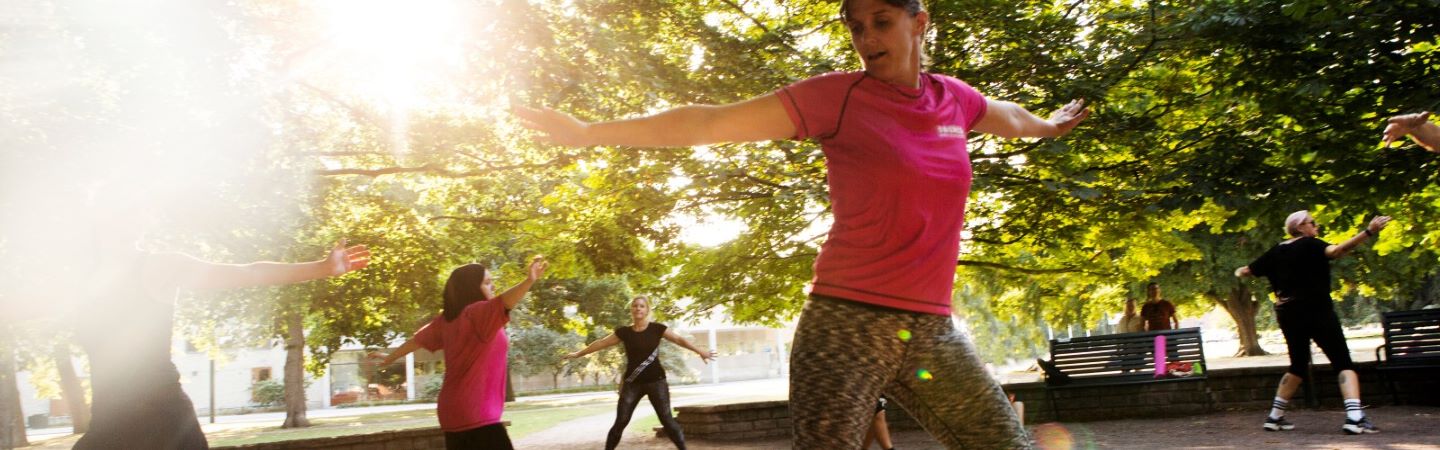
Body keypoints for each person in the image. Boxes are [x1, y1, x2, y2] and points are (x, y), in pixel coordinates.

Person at [514, 0, 1088, 446]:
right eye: (855, 26)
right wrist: (590, 132)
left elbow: (1006, 115)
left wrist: (1048, 125)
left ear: (919, 23)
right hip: (843, 325)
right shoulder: (835, 97)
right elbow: (710, 122)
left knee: (1003, 443)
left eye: (881, 22)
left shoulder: (952, 100)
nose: (866, 39)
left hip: (930, 330)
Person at [75, 235, 371, 450]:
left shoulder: (159, 266)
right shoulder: (74, 282)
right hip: (110, 420)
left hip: (164, 420)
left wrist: (321, 268)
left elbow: (249, 272)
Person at [1235, 210, 1390, 435]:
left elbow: (1246, 271)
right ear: (1300, 227)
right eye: (1313, 223)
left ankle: (1274, 417)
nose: (1316, 227)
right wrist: (1368, 232)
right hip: (1317, 310)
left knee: (1297, 365)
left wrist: (1239, 271)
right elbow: (1337, 251)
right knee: (1343, 363)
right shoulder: (1311, 244)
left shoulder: (1277, 251)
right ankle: (1355, 418)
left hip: (1287, 312)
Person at [375, 256, 548, 450]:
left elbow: (417, 341)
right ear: (471, 288)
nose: (492, 287)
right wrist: (529, 280)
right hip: (476, 414)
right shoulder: (477, 313)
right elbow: (506, 301)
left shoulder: (447, 320)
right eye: (487, 283)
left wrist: (390, 357)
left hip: (452, 412)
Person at [563, 296, 716, 450]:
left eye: (642, 306)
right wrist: (579, 353)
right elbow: (601, 343)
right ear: (632, 309)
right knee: (621, 421)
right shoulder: (624, 332)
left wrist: (699, 351)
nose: (638, 308)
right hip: (632, 383)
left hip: (657, 382)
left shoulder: (657, 329)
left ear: (647, 310)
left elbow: (679, 339)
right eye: (635, 306)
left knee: (667, 420)